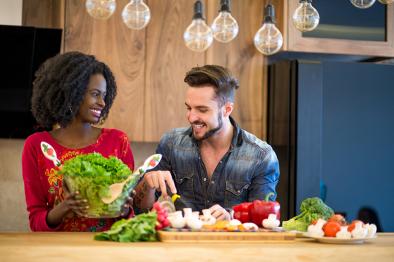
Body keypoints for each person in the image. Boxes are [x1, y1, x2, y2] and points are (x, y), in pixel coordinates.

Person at [134, 65, 279, 220]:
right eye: (189, 108)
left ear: (227, 109)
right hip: (178, 244)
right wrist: (148, 186)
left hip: (231, 244)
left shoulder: (261, 156)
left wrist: (232, 216)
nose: (191, 117)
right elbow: (141, 209)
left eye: (202, 110)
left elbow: (265, 219)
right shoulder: (171, 144)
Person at [21, 52, 135, 232]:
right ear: (71, 93)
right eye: (95, 94)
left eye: (104, 95)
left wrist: (126, 209)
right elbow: (36, 221)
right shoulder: (37, 145)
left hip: (107, 251)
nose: (102, 103)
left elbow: (128, 218)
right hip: (59, 252)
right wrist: (64, 208)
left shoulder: (117, 141)